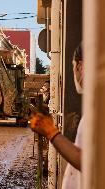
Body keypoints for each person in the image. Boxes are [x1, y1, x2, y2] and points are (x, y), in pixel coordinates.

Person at [30, 44, 83, 188]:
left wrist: (51, 132)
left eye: (74, 66)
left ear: (81, 67)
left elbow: (86, 161)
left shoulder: (101, 112)